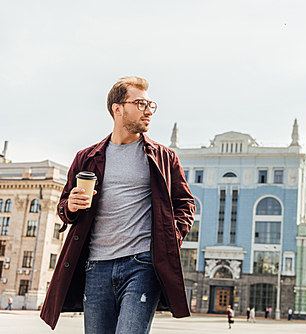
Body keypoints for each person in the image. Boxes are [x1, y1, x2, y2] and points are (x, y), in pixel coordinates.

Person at [40, 76, 195, 334]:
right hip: (96, 265)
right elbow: (63, 206)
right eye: (141, 103)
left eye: (150, 105)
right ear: (118, 108)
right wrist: (72, 206)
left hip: (142, 265)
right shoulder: (87, 157)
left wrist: (170, 237)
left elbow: (185, 204)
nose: (148, 110)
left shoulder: (163, 157)